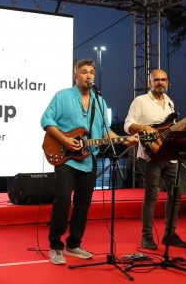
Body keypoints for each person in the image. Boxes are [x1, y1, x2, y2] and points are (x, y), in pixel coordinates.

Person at [41, 58, 137, 266]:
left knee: (83, 204)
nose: (88, 75)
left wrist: (124, 140)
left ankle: (74, 244)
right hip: (66, 159)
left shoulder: (99, 101)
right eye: (84, 71)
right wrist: (65, 140)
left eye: (91, 71)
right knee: (63, 201)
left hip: (88, 159)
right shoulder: (63, 96)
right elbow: (46, 120)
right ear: (75, 75)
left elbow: (105, 131)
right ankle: (55, 245)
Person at [124, 69, 186, 251]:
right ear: (149, 82)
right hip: (149, 156)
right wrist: (143, 127)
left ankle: (170, 235)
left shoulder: (169, 102)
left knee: (176, 194)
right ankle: (147, 237)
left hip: (170, 155)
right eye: (156, 79)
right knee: (152, 196)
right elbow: (127, 126)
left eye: (163, 79)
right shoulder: (140, 101)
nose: (160, 82)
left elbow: (170, 131)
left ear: (168, 82)